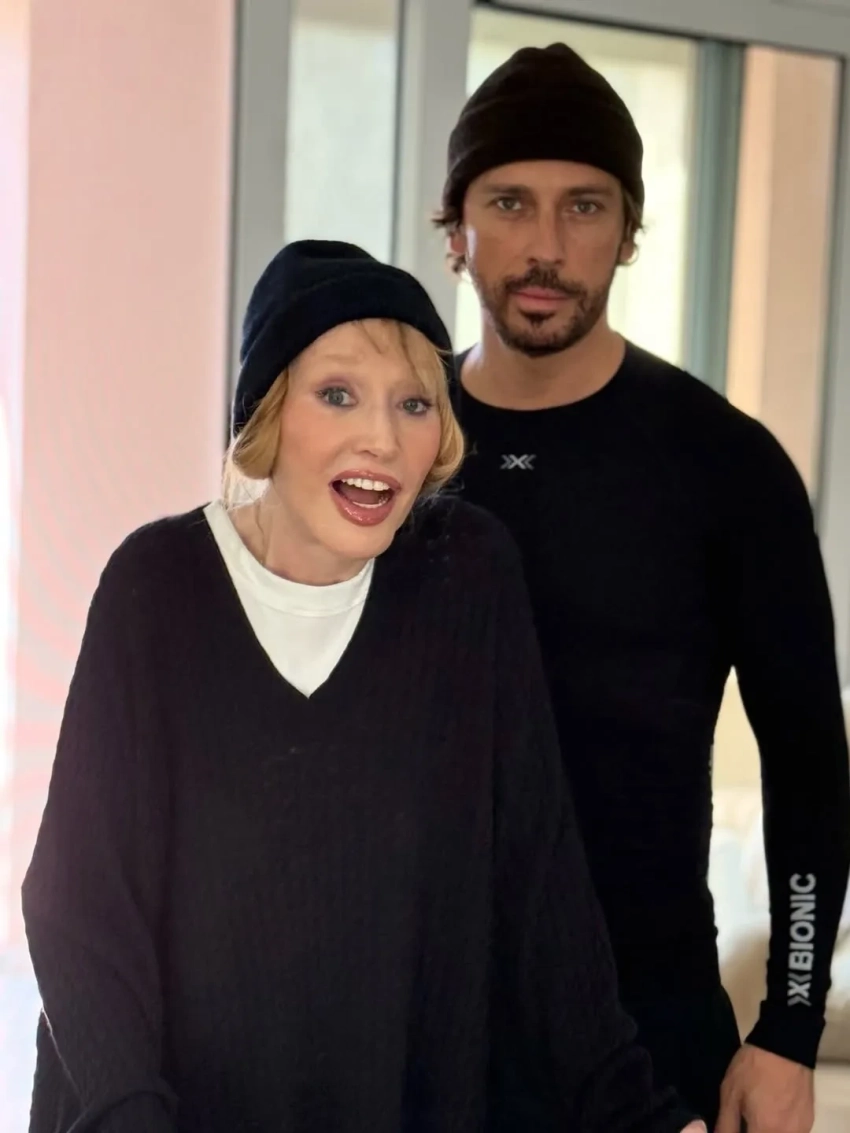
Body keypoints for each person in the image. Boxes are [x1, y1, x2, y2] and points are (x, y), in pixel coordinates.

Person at [22, 240, 703, 1133]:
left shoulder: (466, 578)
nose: (382, 438)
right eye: (338, 394)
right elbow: (77, 904)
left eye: (414, 403)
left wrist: (641, 1115)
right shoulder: (157, 587)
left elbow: (541, 888)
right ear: (268, 411)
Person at [435, 42, 850, 1133]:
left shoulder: (724, 463)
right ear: (455, 229)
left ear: (628, 231)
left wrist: (789, 1026)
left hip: (647, 1026)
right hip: (415, 1018)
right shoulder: (390, 451)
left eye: (584, 207)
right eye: (509, 203)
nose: (545, 246)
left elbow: (810, 762)